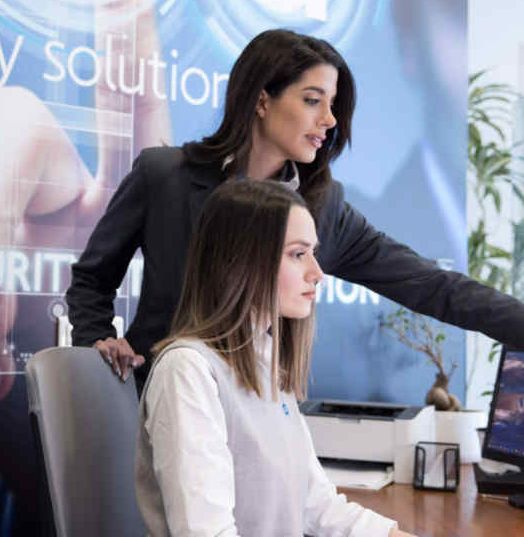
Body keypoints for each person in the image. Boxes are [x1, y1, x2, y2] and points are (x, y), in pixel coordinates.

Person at [66, 28, 524, 388]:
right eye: (312, 100)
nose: (329, 120)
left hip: (258, 418)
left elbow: (433, 285)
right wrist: (98, 339)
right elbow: (92, 279)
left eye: (333, 105)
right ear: (261, 99)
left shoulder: (322, 208)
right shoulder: (165, 175)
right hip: (154, 398)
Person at [135, 178, 413, 537]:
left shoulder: (263, 359)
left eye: (313, 252)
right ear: (241, 261)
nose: (317, 273)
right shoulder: (188, 371)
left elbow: (315, 504)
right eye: (298, 254)